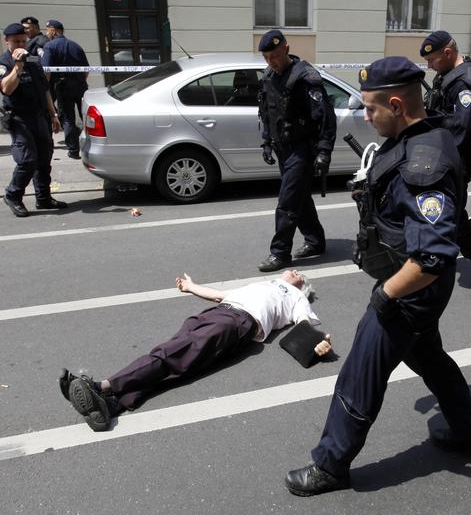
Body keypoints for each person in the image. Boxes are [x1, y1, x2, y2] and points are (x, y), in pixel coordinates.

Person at [285, 56, 471, 498]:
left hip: (410, 288)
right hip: (413, 283)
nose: (366, 117)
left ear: (396, 105)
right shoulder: (426, 136)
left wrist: (387, 294)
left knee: (361, 371)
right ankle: (466, 427)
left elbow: (432, 256)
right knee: (427, 356)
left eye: (371, 108)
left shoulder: (423, 164)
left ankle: (330, 464)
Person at [59, 269, 332, 431]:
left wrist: (318, 342)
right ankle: (111, 406)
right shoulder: (263, 284)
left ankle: (101, 386)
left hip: (238, 322)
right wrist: (191, 287)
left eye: (299, 275)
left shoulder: (296, 295)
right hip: (217, 312)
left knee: (171, 355)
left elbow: (303, 321)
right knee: (178, 362)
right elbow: (219, 295)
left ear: (301, 284)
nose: (294, 272)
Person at [257, 29, 337, 272]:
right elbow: (267, 112)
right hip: (282, 148)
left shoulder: (305, 78)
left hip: (302, 149)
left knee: (288, 201)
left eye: (275, 56)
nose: (271, 61)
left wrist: (324, 152)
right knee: (300, 198)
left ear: (286, 49)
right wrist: (266, 141)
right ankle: (315, 241)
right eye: (267, 57)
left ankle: (280, 253)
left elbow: (326, 117)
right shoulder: (269, 76)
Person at [0, 23, 66, 217]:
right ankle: (13, 195)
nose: (21, 45)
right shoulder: (4, 63)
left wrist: (53, 115)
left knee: (44, 158)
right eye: (16, 41)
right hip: (19, 118)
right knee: (27, 160)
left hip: (39, 116)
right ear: (7, 41)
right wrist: (18, 67)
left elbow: (45, 90)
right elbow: (6, 89)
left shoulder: (34, 60)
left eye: (23, 41)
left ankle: (43, 198)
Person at [420, 30, 471, 258]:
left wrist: (444, 158)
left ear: (448, 53)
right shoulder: (446, 76)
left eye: (432, 60)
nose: (429, 66)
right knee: (451, 212)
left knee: (451, 212)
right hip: (448, 155)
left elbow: (462, 126)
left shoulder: (463, 82)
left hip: (458, 157)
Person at [41, 19, 89, 159]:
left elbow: (46, 70)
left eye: (48, 30)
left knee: (67, 118)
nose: (47, 34)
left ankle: (73, 150)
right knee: (85, 116)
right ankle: (91, 146)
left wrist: (45, 88)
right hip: (81, 85)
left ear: (54, 30)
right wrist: (80, 81)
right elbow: (86, 69)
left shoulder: (50, 46)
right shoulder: (76, 45)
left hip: (63, 86)